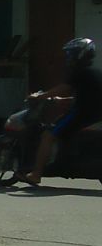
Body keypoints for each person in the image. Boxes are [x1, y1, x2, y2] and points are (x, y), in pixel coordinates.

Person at [20, 38, 100, 185]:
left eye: (71, 54)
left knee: (48, 135)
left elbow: (64, 88)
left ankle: (36, 174)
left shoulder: (79, 73)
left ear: (80, 55)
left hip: (82, 115)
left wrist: (40, 96)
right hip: (92, 114)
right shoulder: (92, 73)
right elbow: (86, 96)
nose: (68, 57)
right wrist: (61, 100)